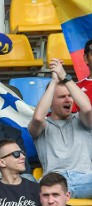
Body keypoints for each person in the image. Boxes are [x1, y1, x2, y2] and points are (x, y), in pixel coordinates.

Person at [30, 59, 92, 198]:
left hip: (86, 180)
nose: (68, 100)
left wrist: (65, 77)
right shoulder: (43, 126)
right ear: (50, 102)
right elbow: (39, 117)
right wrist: (53, 82)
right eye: (62, 97)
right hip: (55, 182)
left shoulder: (82, 120)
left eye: (70, 96)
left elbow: (87, 108)